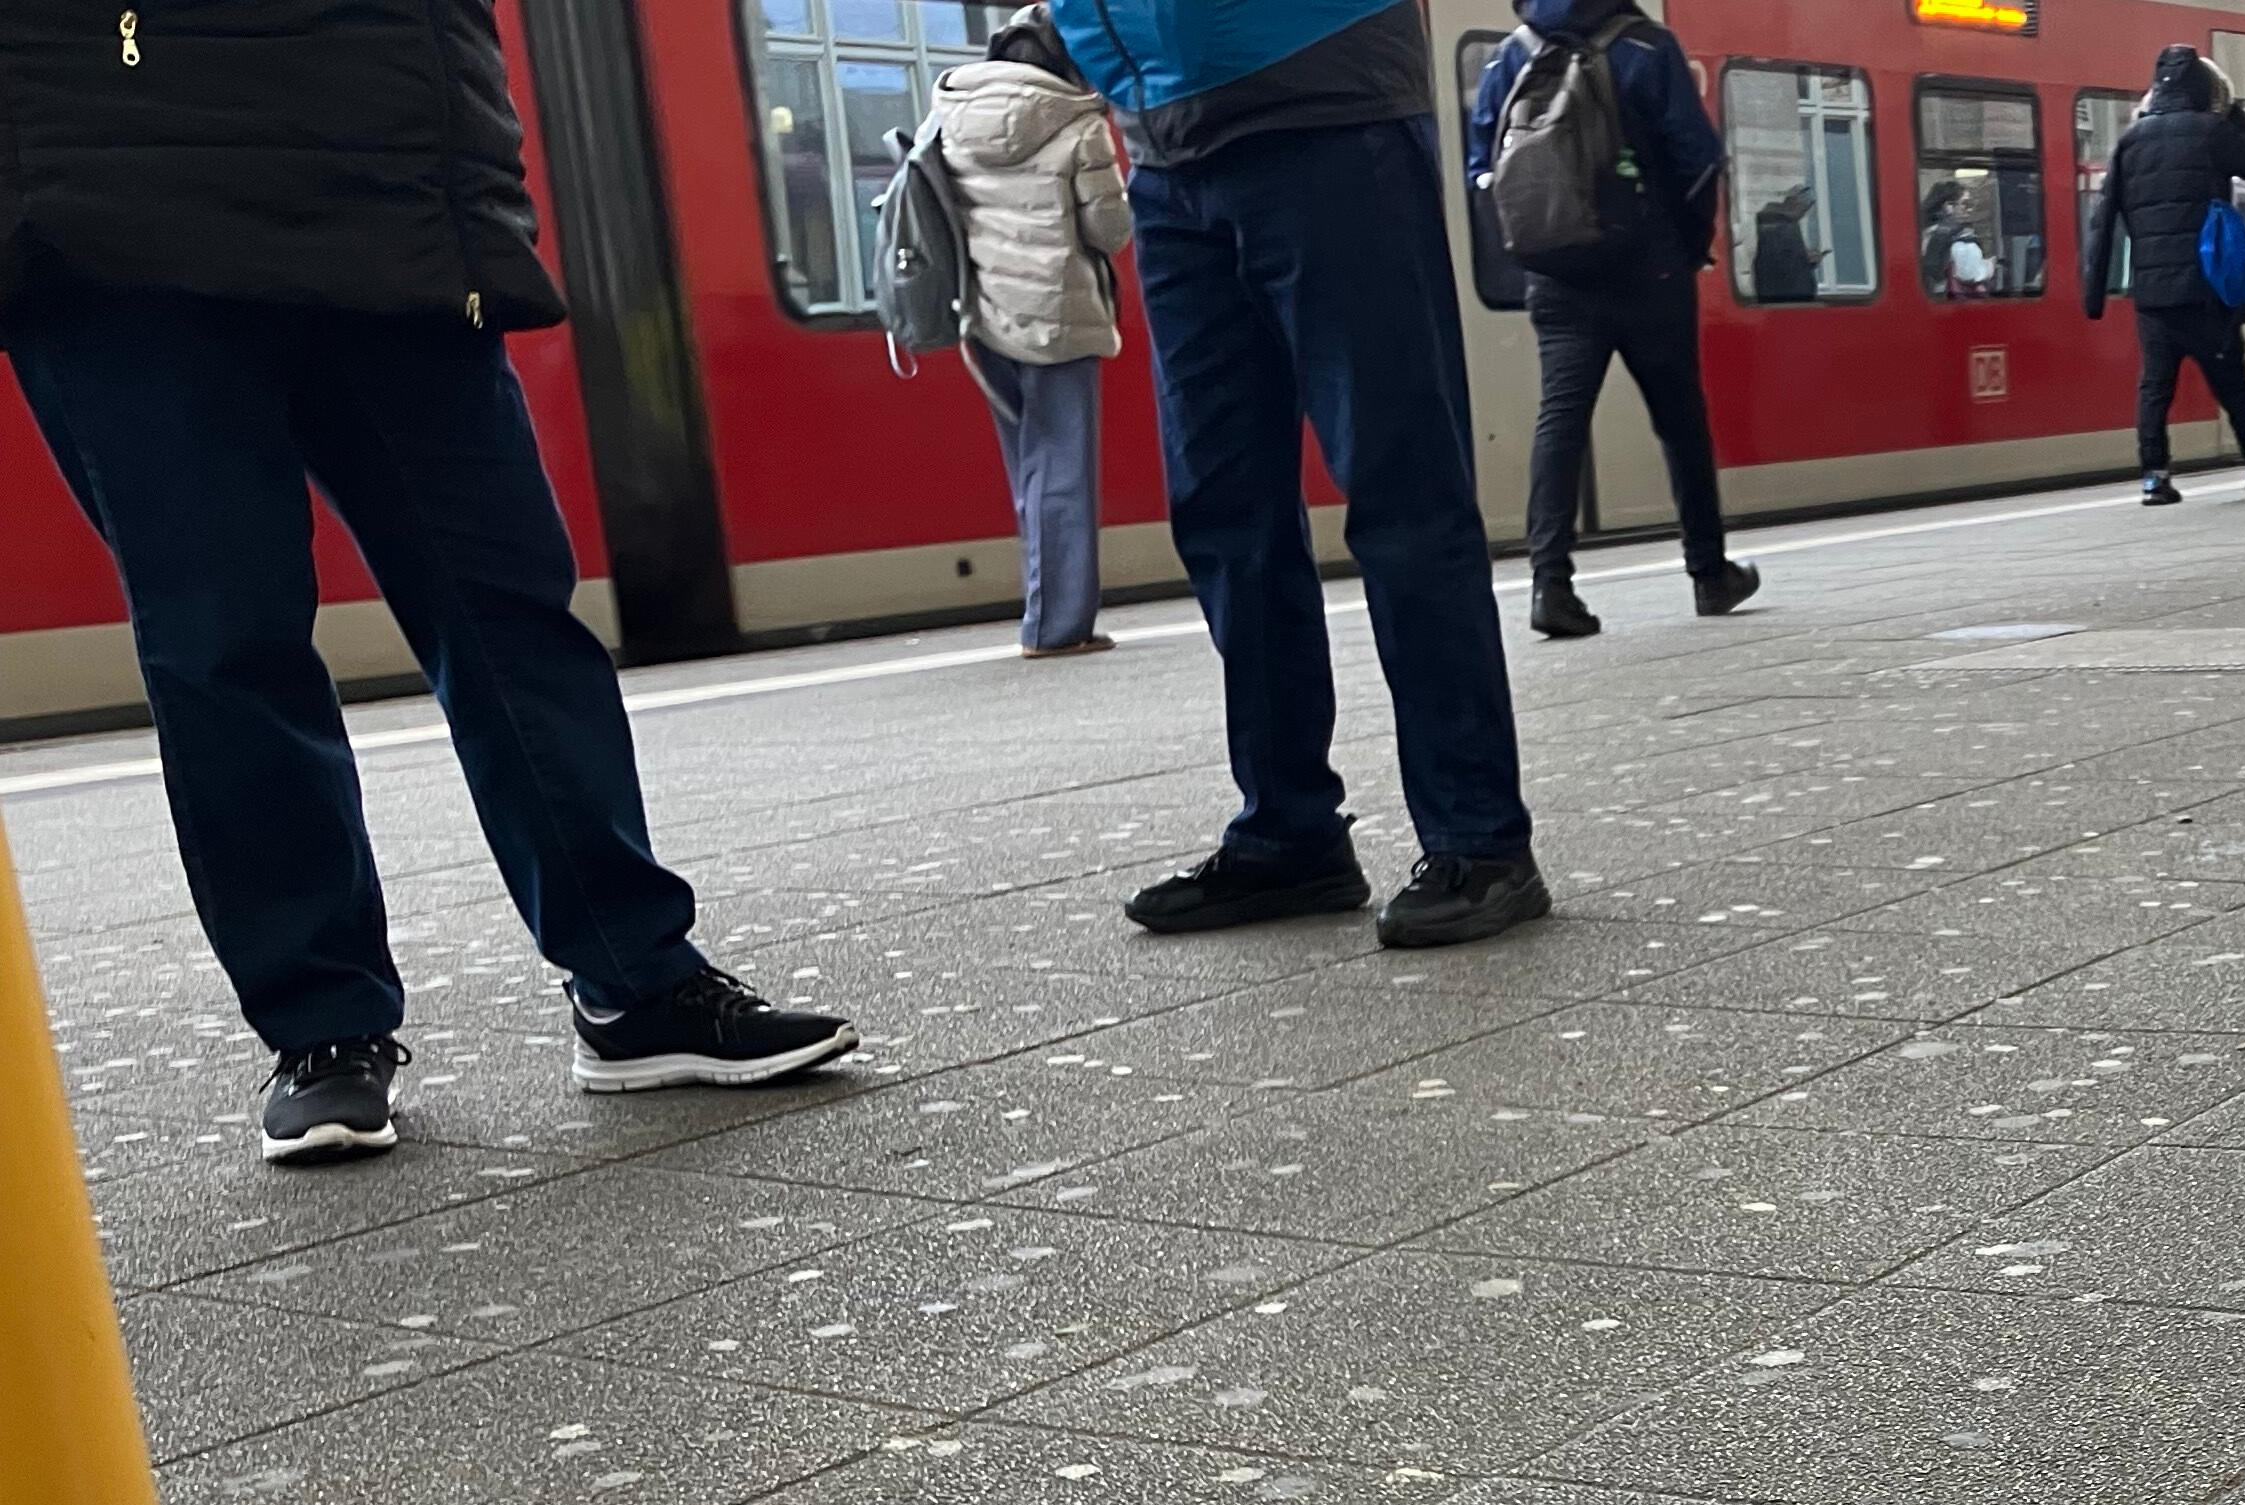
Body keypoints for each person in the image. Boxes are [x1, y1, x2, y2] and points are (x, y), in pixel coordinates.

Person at [0, 0, 856, 1164]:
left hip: (389, 189)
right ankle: (323, 1026)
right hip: (117, 212)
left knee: (508, 612)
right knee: (226, 641)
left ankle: (632, 982)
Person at [1049, 0, 1546, 947]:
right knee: (1224, 510)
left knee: (1400, 489)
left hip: (1324, 96)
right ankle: (1289, 833)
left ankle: (1480, 839)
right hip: (1160, 141)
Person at [1464, 0, 1760, 643]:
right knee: (1680, 420)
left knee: (1560, 420)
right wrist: (1685, 246)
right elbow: (1698, 156)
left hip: (1556, 278)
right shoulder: (1647, 47)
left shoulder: (1509, 56)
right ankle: (1710, 574)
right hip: (1649, 268)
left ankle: (1551, 584)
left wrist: (1535, 250)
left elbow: (1482, 169)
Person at [938, 8, 1133, 657]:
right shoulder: (1079, 123)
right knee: (1064, 474)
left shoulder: (952, 114)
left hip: (985, 317)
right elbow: (1110, 232)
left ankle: (1043, 607)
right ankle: (1057, 626)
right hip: (1057, 317)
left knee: (1030, 472)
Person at [2079, 47, 2245, 508]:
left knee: (2155, 384)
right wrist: (2231, 111)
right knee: (2230, 374)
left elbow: (2103, 218)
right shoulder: (2212, 131)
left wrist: (2093, 295)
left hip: (2152, 291)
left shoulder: (2130, 141)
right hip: (2204, 283)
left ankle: (2154, 476)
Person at [1749, 187, 1823, 304]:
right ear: (1794, 202)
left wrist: (1807, 259)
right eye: (1803, 209)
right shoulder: (1780, 224)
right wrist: (1806, 259)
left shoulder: (1781, 223)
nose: (1803, 214)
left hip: (1786, 299)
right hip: (1788, 300)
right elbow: (1785, 266)